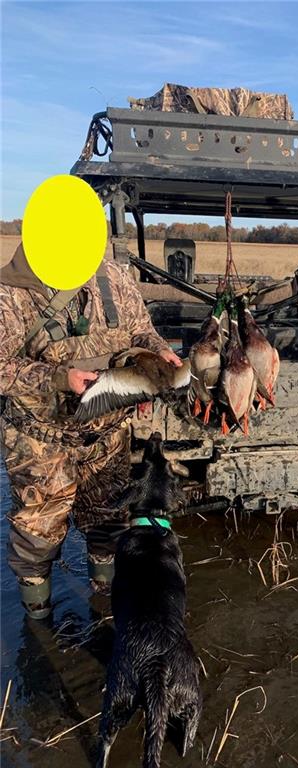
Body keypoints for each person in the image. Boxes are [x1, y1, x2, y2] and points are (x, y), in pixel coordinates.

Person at [0, 242, 181, 619]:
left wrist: (159, 351)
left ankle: (106, 605)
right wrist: (57, 378)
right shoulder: (9, 293)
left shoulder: (113, 277)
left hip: (107, 437)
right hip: (40, 441)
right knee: (36, 535)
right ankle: (39, 623)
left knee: (108, 523)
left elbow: (141, 331)